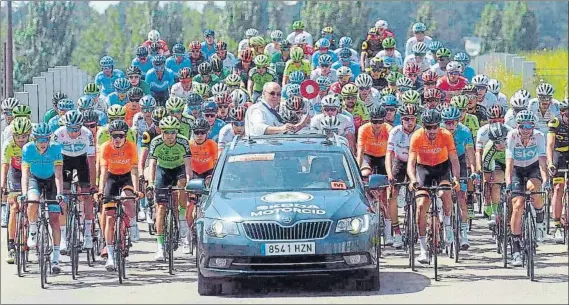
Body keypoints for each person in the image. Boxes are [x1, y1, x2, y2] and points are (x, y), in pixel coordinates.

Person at [407, 109, 460, 264]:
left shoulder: (446, 135)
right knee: (421, 205)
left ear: (439, 125)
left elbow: (454, 160)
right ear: (423, 126)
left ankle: (448, 225)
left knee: (445, 193)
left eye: (435, 126)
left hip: (441, 168)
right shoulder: (417, 136)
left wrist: (455, 178)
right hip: (423, 169)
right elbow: (411, 162)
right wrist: (411, 179)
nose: (432, 130)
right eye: (428, 127)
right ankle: (423, 249)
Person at [97, 119, 142, 271]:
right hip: (111, 177)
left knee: (128, 199)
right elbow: (103, 171)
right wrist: (100, 190)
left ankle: (134, 224)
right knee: (109, 218)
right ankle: (110, 255)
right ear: (110, 136)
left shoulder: (131, 147)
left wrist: (136, 189)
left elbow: (135, 170)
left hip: (126, 177)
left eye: (120, 136)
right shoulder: (105, 148)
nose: (117, 139)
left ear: (125, 137)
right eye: (114, 136)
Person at [505, 110, 548, 267]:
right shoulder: (512, 136)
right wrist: (508, 183)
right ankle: (515, 247)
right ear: (518, 126)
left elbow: (543, 160)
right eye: (523, 126)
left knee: (534, 190)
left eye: (529, 126)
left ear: (533, 126)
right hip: (516, 169)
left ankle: (539, 215)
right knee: (517, 204)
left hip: (532, 167)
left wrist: (546, 180)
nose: (526, 129)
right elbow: (509, 162)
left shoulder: (539, 136)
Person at [20, 123, 66, 274]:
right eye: (39, 140)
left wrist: (59, 193)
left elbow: (59, 174)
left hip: (51, 180)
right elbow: (25, 174)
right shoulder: (27, 149)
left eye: (45, 139)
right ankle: (33, 230)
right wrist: (24, 193)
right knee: (32, 202)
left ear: (49, 139)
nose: (42, 143)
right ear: (34, 139)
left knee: (54, 219)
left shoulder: (56, 148)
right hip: (35, 178)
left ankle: (56, 258)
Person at [146, 116, 193, 257]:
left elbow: (188, 166)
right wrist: (150, 183)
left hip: (179, 169)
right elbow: (152, 165)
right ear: (162, 132)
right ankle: (160, 246)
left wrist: (190, 181)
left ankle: (183, 222)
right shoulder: (156, 142)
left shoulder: (183, 142)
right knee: (161, 208)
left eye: (173, 132)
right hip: (163, 170)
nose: (171, 136)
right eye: (167, 132)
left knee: (182, 184)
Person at [441, 106, 476, 249]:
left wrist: (473, 170)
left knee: (462, 196)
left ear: (458, 121)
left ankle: (463, 232)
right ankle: (447, 225)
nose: (450, 126)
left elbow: (470, 152)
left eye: (453, 122)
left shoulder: (465, 131)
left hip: (460, 159)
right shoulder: (440, 131)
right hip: (442, 160)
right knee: (445, 194)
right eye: (447, 122)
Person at [385, 104, 420, 248]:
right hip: (399, 161)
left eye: (412, 119)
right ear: (401, 120)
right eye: (406, 119)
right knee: (391, 194)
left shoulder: (420, 131)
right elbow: (389, 155)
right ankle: (397, 232)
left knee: (423, 192)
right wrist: (389, 174)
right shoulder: (395, 132)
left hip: (418, 163)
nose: (409, 122)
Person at [357, 105, 393, 244]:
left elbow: (392, 153)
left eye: (380, 121)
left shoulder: (389, 130)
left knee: (386, 196)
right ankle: (369, 199)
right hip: (369, 157)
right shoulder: (363, 129)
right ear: (370, 120)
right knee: (365, 174)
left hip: (384, 157)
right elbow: (360, 153)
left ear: (384, 121)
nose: (377, 125)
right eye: (374, 121)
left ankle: (389, 232)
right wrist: (358, 170)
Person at [1, 117, 32, 262]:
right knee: (14, 207)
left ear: (29, 134)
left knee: (30, 205)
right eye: (18, 137)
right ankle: (12, 245)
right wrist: (3, 185)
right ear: (13, 135)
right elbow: (5, 166)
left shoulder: (33, 143)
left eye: (24, 136)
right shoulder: (8, 145)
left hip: (31, 172)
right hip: (15, 173)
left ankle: (30, 237)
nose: (21, 140)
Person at [546, 98, 569, 244]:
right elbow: (549, 145)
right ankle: (557, 226)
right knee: (559, 188)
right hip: (558, 154)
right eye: (567, 115)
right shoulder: (555, 122)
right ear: (561, 113)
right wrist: (550, 163)